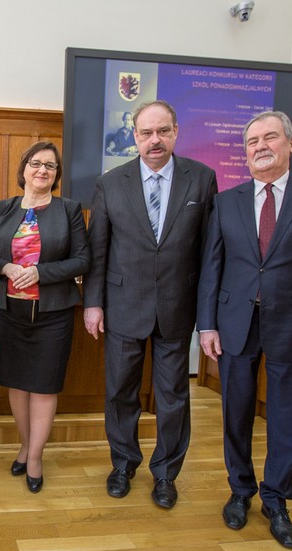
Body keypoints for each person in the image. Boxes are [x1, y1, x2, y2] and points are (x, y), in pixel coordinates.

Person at [197, 111, 292, 549]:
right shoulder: (227, 201)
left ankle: (277, 499)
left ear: (291, 144)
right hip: (234, 325)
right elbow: (213, 268)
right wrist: (206, 324)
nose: (260, 146)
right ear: (244, 152)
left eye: (270, 137)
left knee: (284, 417)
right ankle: (240, 491)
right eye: (252, 141)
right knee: (235, 413)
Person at [84, 100, 217, 508]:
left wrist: (208, 316)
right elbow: (98, 248)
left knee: (174, 395)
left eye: (162, 131)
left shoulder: (202, 179)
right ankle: (123, 464)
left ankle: (166, 474)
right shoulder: (111, 182)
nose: (154, 140)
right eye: (146, 133)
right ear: (135, 137)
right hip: (123, 304)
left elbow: (210, 251)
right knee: (121, 392)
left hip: (178, 306)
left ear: (175, 132)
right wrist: (93, 303)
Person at [0, 141, 90, 493]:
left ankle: (35, 458)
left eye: (50, 165)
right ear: (24, 169)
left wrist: (42, 272)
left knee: (43, 386)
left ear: (56, 174)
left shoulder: (70, 209)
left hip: (52, 313)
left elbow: (81, 259)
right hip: (10, 312)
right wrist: (8, 267)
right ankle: (25, 445)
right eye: (36, 163)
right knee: (17, 383)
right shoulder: (4, 208)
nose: (42, 170)